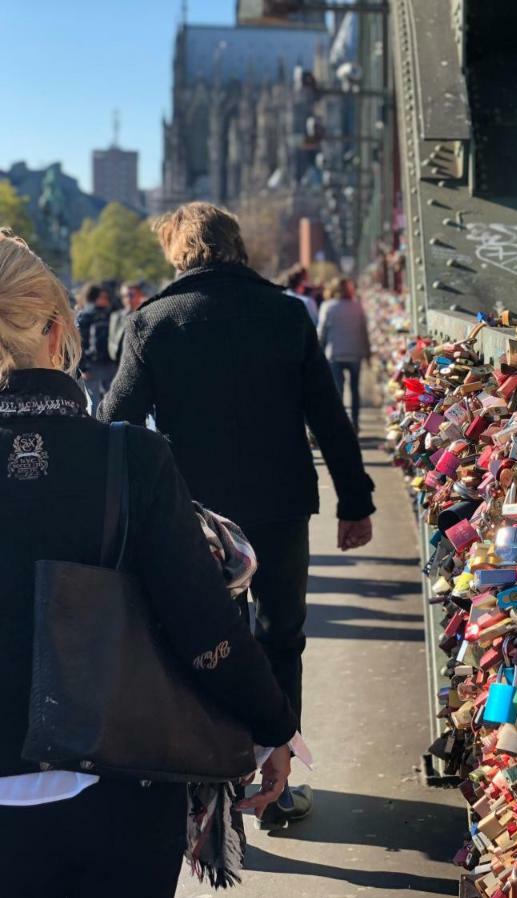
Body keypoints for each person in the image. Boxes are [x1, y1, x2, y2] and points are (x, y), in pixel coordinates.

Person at [0, 228, 297, 898]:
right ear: (55, 329)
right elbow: (202, 623)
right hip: (114, 791)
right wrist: (272, 726)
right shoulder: (127, 458)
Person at [100, 203, 376, 826]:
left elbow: (114, 421)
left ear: (178, 253)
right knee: (281, 639)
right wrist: (354, 502)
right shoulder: (285, 313)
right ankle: (278, 789)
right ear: (237, 246)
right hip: (279, 508)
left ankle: (210, 784)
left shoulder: (153, 322)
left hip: (192, 519)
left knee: (202, 642)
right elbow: (328, 416)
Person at [317, 277, 371, 432]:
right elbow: (364, 332)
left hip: (335, 354)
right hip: (355, 353)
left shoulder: (328, 307)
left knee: (338, 390)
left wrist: (318, 352)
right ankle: (355, 423)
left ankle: (340, 424)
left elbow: (322, 332)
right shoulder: (357, 306)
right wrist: (367, 353)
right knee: (354, 390)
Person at [74, 282, 115, 409]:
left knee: (98, 403)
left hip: (98, 365)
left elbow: (78, 343)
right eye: (103, 297)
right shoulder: (108, 315)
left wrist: (83, 368)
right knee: (104, 402)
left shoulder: (84, 315)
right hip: (102, 365)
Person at [108, 280, 148, 365]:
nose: (127, 299)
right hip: (120, 365)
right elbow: (112, 344)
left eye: (131, 295)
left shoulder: (148, 315)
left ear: (140, 295)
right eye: (124, 296)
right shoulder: (116, 317)